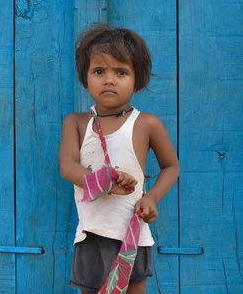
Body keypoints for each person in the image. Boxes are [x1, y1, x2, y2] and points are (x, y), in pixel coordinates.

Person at [59, 23, 180, 294]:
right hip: (91, 234)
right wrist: (104, 181)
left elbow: (171, 167)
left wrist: (151, 199)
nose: (109, 79)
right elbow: (67, 167)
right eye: (99, 71)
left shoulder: (147, 124)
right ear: (85, 78)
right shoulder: (77, 123)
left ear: (137, 82)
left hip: (132, 233)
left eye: (121, 72)